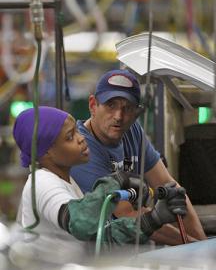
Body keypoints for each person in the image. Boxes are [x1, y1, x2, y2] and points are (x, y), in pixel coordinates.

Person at [13, 106, 187, 249]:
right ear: (47, 151)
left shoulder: (67, 182)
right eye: (70, 136)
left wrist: (153, 219)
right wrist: (115, 181)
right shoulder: (42, 182)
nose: (81, 139)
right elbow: (80, 223)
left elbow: (100, 238)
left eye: (77, 132)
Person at [70, 69, 207, 244]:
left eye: (127, 108)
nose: (119, 116)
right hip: (99, 253)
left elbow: (170, 187)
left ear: (137, 112)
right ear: (93, 105)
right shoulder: (83, 149)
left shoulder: (132, 131)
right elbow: (127, 214)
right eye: (110, 105)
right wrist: (192, 246)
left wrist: (203, 245)